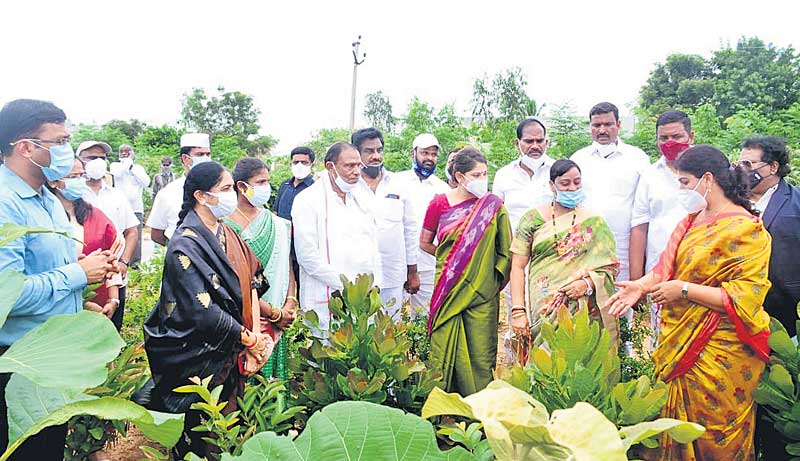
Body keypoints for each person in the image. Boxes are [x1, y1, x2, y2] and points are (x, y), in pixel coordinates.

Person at [607, 145, 772, 461]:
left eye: (684, 182)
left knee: (717, 431)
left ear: (707, 179)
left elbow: (744, 296)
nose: (680, 190)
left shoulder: (746, 229)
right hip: (680, 343)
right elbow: (667, 267)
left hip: (723, 351)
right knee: (677, 428)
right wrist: (640, 286)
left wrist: (683, 290)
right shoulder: (691, 221)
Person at [0, 99, 115, 460]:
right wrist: (76, 274)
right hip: (20, 363)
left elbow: (48, 267)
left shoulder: (47, 198)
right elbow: (8, 295)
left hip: (52, 357)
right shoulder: (6, 204)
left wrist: (83, 282)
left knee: (49, 449)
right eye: (60, 142)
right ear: (26, 148)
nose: (69, 153)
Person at [144, 161, 272, 459]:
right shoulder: (184, 245)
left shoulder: (228, 232)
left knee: (230, 427)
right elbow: (202, 311)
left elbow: (252, 283)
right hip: (198, 355)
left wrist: (253, 335)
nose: (233, 195)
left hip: (235, 345)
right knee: (201, 434)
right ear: (202, 196)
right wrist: (251, 340)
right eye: (226, 189)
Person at [508, 159, 620, 363]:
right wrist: (518, 311)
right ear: (552, 185)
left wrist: (586, 285)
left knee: (583, 362)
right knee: (544, 360)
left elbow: (609, 267)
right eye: (565, 183)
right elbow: (517, 267)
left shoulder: (594, 221)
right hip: (544, 305)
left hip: (583, 305)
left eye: (577, 182)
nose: (573, 188)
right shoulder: (532, 219)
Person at [421, 147, 511, 395]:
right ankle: (441, 412)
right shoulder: (439, 203)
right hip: (447, 290)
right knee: (442, 351)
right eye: (476, 175)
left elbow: (505, 252)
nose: (483, 180)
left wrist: (485, 278)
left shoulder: (494, 206)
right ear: (459, 177)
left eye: (485, 174)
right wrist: (453, 263)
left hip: (483, 295)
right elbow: (425, 242)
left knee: (481, 354)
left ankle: (479, 414)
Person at [740, 135, 800, 461]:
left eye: (750, 164)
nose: (742, 170)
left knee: (778, 398)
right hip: (737, 316)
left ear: (773, 167)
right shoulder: (734, 202)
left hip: (783, 317)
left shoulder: (796, 204)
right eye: (740, 163)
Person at [291, 142, 381, 333]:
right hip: (326, 295)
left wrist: (375, 285)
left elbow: (373, 246)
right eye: (349, 166)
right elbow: (307, 257)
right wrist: (348, 288)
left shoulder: (363, 198)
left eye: (359, 165)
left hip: (363, 296)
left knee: (362, 354)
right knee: (326, 354)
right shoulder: (307, 200)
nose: (357, 171)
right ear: (330, 167)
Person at [224, 158, 297, 380]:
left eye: (268, 181)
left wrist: (289, 305)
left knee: (272, 390)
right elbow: (234, 282)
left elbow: (287, 268)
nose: (266, 187)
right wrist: (271, 313)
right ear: (241, 187)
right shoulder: (224, 227)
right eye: (260, 182)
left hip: (279, 319)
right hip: (245, 321)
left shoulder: (279, 224)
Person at [631, 110, 695, 349]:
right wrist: (638, 281)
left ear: (691, 135)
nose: (670, 143)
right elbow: (639, 227)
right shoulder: (648, 176)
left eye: (677, 136)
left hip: (701, 271)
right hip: (660, 271)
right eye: (663, 138)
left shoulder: (709, 171)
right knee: (663, 340)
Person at [493, 117, 555, 356]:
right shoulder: (503, 176)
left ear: (547, 141)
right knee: (516, 317)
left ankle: (547, 377)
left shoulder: (557, 169)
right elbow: (497, 219)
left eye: (540, 140)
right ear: (517, 143)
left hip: (550, 260)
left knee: (548, 318)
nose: (535, 146)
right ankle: (516, 376)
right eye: (529, 141)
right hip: (515, 261)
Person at [570, 102, 650, 285]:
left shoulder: (638, 159)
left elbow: (644, 207)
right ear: (590, 127)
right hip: (585, 244)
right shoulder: (578, 159)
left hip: (623, 243)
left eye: (608, 124)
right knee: (586, 297)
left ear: (618, 125)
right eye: (597, 125)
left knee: (620, 298)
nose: (602, 130)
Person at [352, 128, 419, 316]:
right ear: (356, 153)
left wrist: (412, 271)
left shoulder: (399, 185)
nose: (376, 156)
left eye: (379, 150)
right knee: (360, 334)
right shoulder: (348, 187)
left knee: (390, 332)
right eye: (369, 151)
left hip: (392, 274)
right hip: (358, 277)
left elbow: (409, 230)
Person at [78, 140, 139, 330]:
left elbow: (131, 231)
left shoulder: (117, 195)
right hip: (83, 278)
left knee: (113, 328)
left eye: (102, 158)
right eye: (91, 158)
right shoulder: (73, 194)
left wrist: (124, 262)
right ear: (79, 161)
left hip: (114, 276)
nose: (97, 162)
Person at [394, 134, 449, 313]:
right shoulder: (395, 182)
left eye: (433, 154)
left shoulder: (442, 189)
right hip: (397, 263)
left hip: (428, 264)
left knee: (424, 317)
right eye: (425, 153)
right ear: (413, 153)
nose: (429, 158)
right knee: (390, 317)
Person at [147, 133, 211, 246]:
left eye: (208, 154)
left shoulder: (218, 189)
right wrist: (178, 248)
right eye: (200, 154)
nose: (206, 159)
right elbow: (156, 234)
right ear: (186, 159)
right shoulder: (168, 193)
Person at [110, 144, 150, 266]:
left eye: (127, 151)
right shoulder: (115, 166)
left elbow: (145, 182)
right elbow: (117, 174)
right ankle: (118, 262)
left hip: (136, 208)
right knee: (118, 236)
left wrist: (132, 165)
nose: (124, 153)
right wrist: (127, 163)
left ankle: (135, 265)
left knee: (135, 239)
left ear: (132, 153)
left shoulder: (138, 168)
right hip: (119, 208)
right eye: (121, 151)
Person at [274, 146, 315, 221]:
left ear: (312, 165)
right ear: (291, 164)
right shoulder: (284, 185)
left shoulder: (316, 188)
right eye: (296, 162)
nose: (299, 166)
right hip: (283, 231)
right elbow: (276, 212)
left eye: (304, 162)